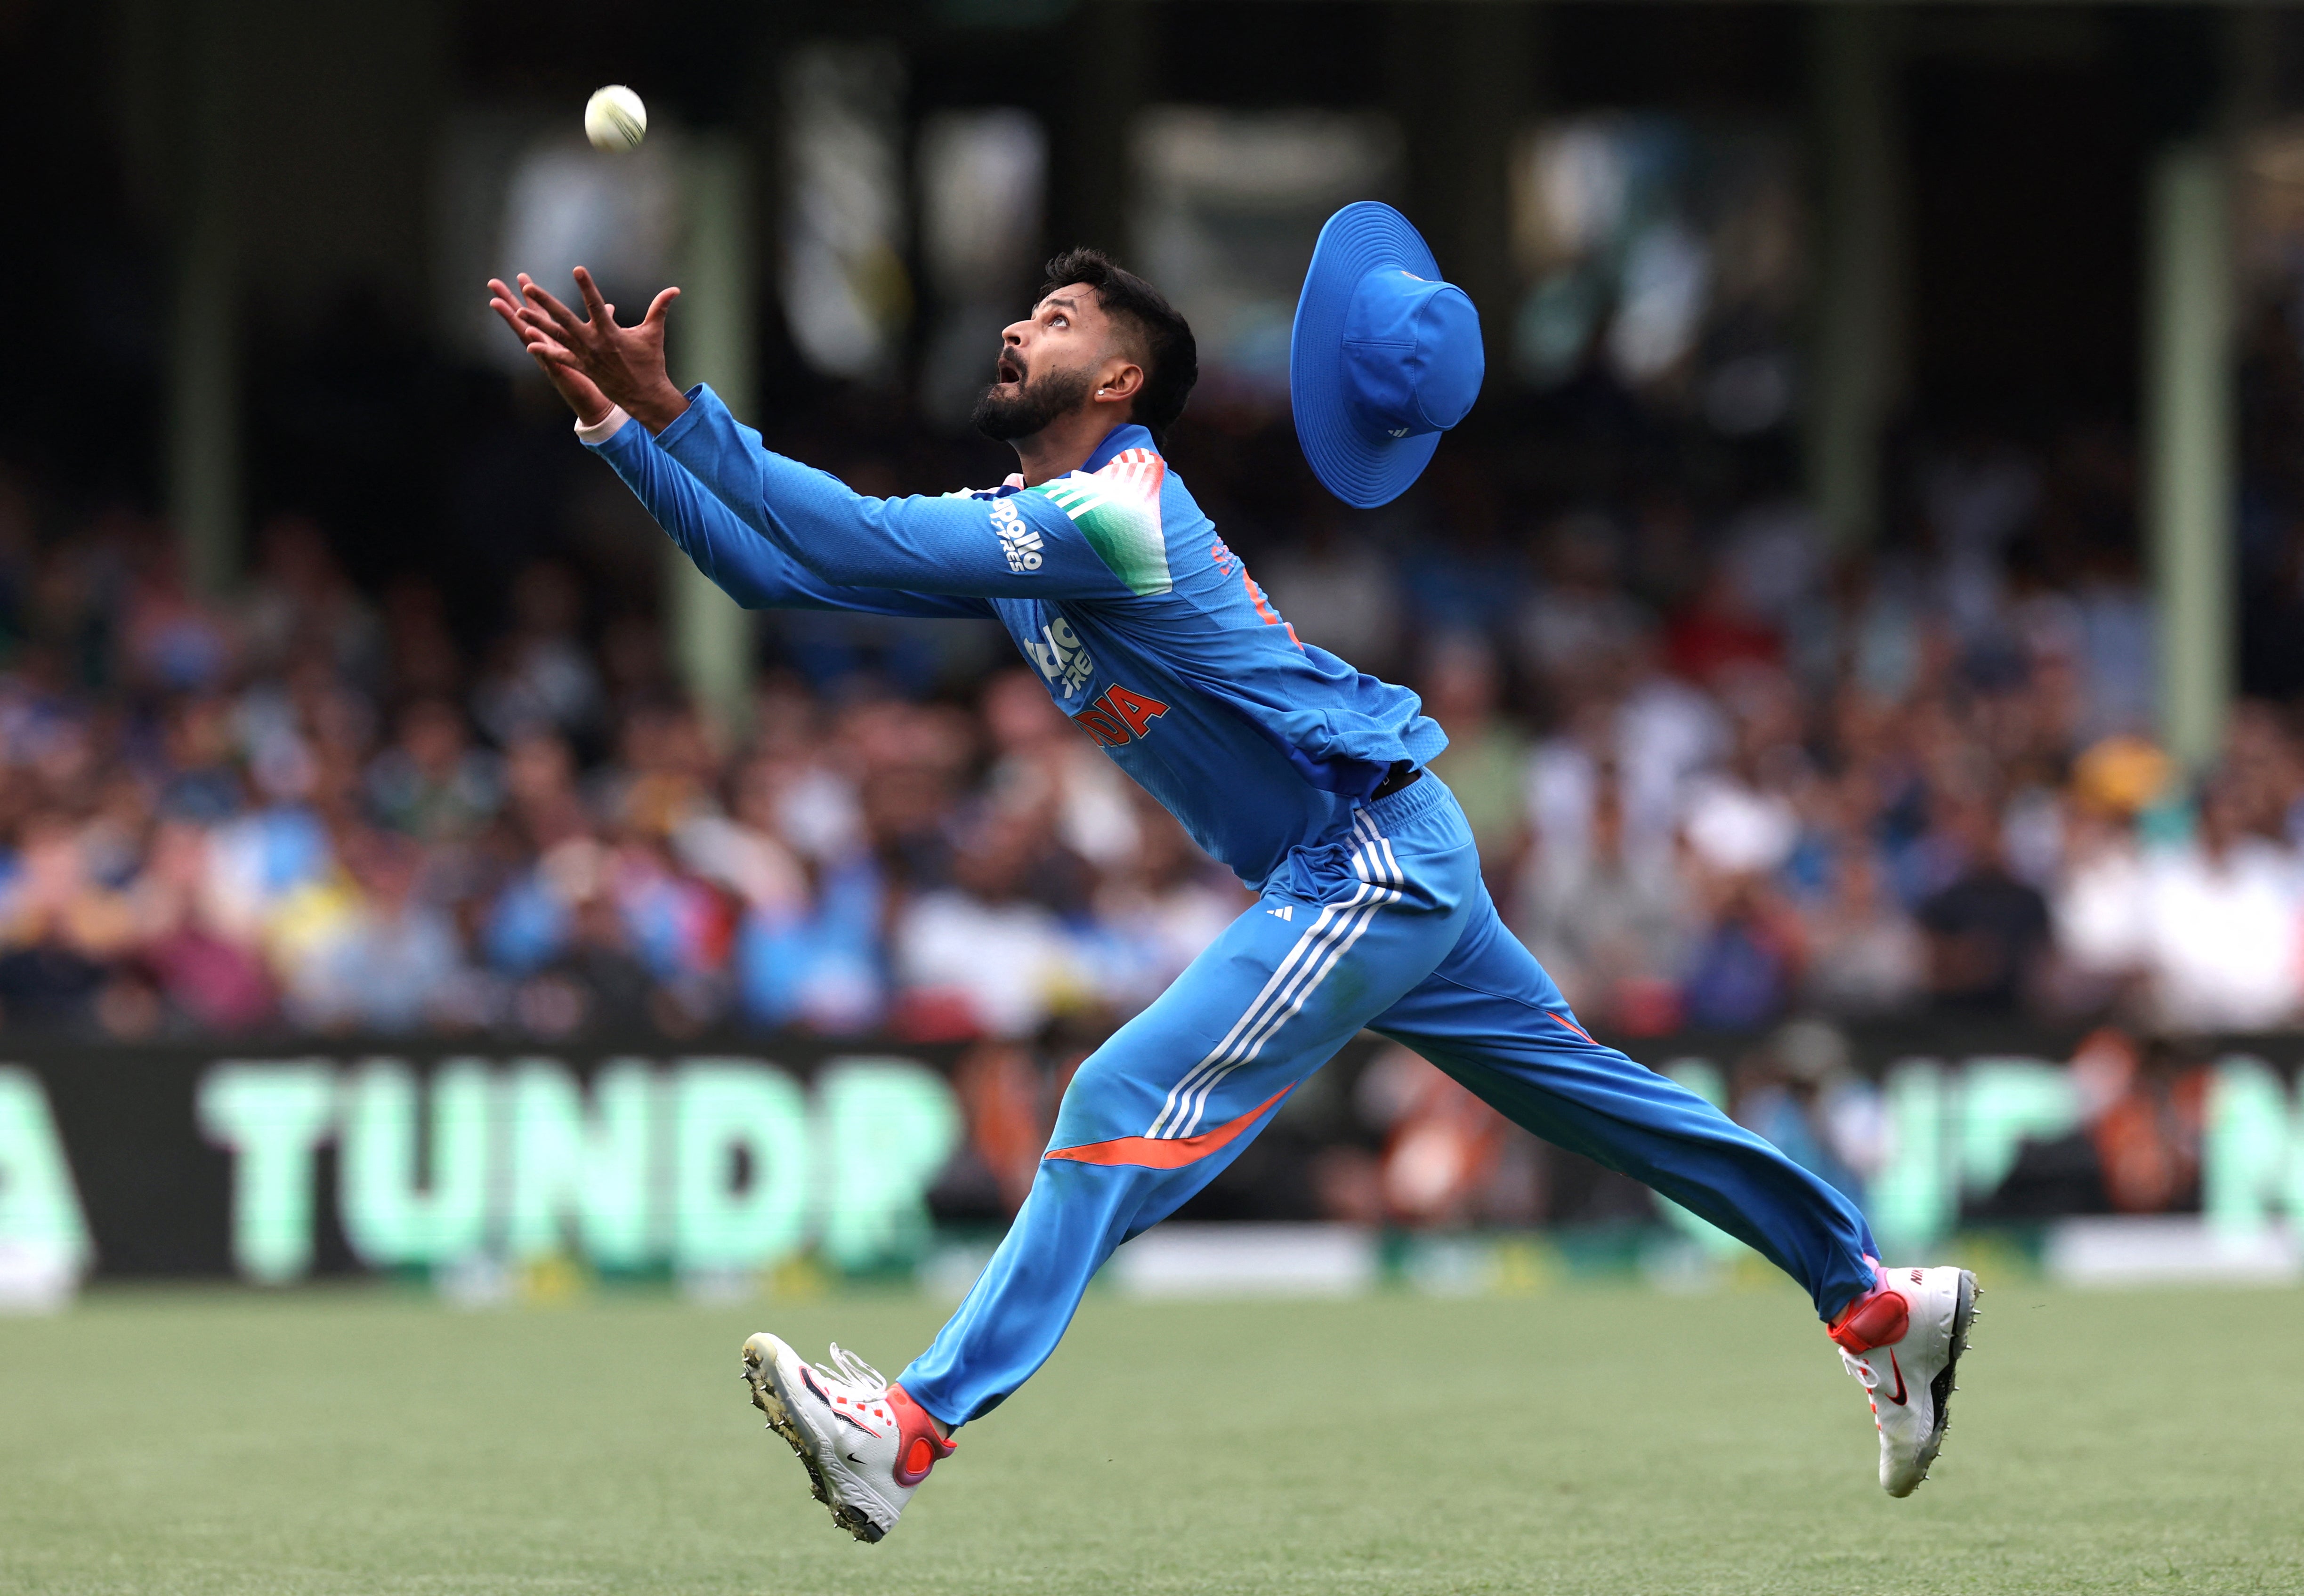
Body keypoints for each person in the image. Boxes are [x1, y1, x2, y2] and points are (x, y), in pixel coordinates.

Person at [486, 201, 1976, 1541]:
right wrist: (624, 436)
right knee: (1614, 1108)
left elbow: (859, 541)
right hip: (1388, 850)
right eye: (1029, 311)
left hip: (1366, 860)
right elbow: (785, 573)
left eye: (1060, 320)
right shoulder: (1047, 527)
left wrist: (681, 405)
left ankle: (909, 1430)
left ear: (1121, 383)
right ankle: (1873, 1299)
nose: (1019, 324)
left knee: (1115, 1099)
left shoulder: (1110, 509)